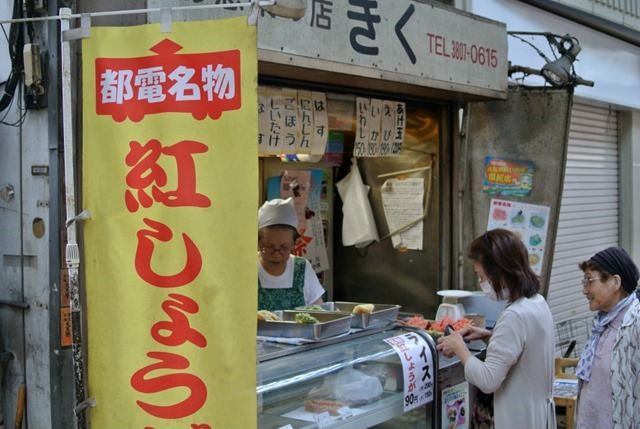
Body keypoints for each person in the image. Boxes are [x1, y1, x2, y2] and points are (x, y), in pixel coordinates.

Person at [436, 228, 556, 429]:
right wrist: (488, 337)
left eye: (482, 277)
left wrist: (460, 348)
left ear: (500, 271)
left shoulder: (514, 315)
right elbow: (521, 354)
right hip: (535, 414)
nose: (481, 283)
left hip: (517, 418)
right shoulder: (537, 302)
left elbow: (488, 380)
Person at [575, 246, 640, 429]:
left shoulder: (636, 323)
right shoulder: (601, 324)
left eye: (589, 281)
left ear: (615, 282)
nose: (585, 290)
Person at [257, 197, 325, 311]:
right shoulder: (248, 268)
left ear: (294, 243)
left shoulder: (302, 268)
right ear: (258, 242)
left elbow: (318, 310)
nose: (277, 254)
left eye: (284, 247)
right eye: (269, 247)